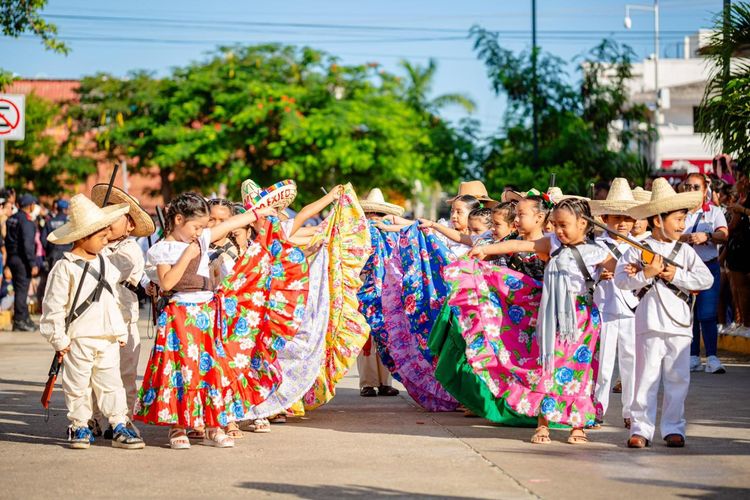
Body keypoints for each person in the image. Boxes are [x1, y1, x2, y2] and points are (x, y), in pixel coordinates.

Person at [133, 192, 276, 450]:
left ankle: (213, 425)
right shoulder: (162, 249)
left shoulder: (201, 239)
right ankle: (178, 425)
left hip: (207, 313)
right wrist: (188, 255)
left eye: (203, 227)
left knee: (211, 370)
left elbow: (230, 224)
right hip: (179, 315)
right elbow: (166, 283)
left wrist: (258, 214)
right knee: (182, 370)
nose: (201, 232)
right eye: (196, 226)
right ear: (178, 220)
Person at [470, 198, 615, 445]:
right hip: (551, 318)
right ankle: (543, 423)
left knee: (581, 374)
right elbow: (519, 243)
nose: (558, 230)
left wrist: (625, 270)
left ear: (583, 223)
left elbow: (622, 274)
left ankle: (578, 425)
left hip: (582, 322)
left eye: (564, 224)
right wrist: (486, 250)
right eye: (555, 224)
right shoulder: (552, 243)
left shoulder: (599, 252)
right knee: (546, 368)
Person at [39, 194, 145, 450]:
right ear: (82, 236)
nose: (106, 238)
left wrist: (119, 331)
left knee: (112, 383)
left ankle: (119, 423)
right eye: (101, 235)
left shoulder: (105, 263)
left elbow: (111, 301)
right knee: (78, 385)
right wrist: (58, 339)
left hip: (107, 337)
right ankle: (79, 425)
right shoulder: (64, 268)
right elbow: (52, 308)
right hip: (78, 338)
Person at [615, 178, 714, 449]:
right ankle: (640, 429)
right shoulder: (637, 248)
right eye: (678, 219)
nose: (682, 225)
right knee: (644, 378)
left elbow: (706, 280)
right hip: (648, 322)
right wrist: (647, 274)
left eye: (684, 220)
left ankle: (673, 427)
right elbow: (622, 281)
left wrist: (676, 274)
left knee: (678, 379)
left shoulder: (685, 251)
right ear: (658, 220)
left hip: (680, 325)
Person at [88, 185, 155, 438]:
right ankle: (93, 418)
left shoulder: (129, 250)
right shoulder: (92, 246)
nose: (109, 220)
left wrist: (95, 248)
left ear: (129, 226)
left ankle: (123, 419)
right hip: (93, 321)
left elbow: (117, 269)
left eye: (116, 216)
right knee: (93, 375)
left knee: (125, 374)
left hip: (123, 322)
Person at [588, 179, 641, 429]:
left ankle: (631, 412)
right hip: (605, 309)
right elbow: (587, 275)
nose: (622, 223)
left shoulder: (641, 247)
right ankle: (598, 408)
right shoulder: (596, 246)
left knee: (631, 364)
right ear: (605, 218)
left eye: (627, 218)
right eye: (616, 217)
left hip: (632, 310)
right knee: (604, 365)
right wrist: (600, 275)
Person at [679, 173, 729, 374]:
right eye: (688, 187)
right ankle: (692, 356)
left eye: (695, 187)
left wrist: (707, 236)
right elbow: (667, 235)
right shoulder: (678, 212)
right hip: (684, 269)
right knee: (689, 315)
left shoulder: (714, 211)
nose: (691, 191)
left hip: (708, 266)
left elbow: (724, 234)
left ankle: (712, 356)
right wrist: (685, 238)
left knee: (707, 313)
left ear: (704, 189)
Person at [357, 188, 402, 398]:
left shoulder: (394, 234)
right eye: (371, 214)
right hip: (365, 286)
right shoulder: (359, 234)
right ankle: (368, 382)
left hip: (388, 289)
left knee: (387, 335)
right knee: (366, 337)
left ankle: (384, 381)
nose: (375, 219)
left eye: (379, 214)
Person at [6, 194, 40, 331]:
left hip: (12, 258)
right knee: (22, 290)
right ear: (31, 205)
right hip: (22, 260)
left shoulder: (12, 219)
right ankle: (20, 321)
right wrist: (32, 263)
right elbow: (28, 245)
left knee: (19, 288)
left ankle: (24, 317)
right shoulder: (26, 222)